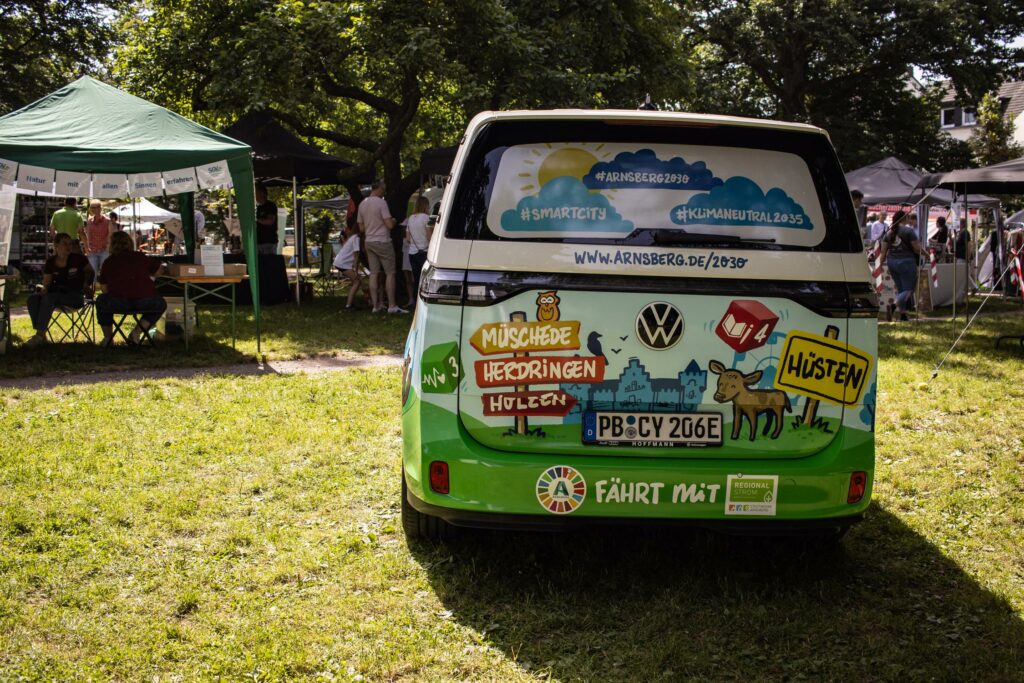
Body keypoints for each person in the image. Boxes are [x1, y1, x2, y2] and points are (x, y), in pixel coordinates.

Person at [96, 231, 167, 347]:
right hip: (144, 301)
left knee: (101, 301)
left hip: (119, 302)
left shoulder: (108, 262)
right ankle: (136, 332)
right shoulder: (140, 256)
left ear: (111, 245)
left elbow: (104, 288)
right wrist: (153, 277)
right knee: (161, 303)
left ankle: (108, 338)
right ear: (130, 243)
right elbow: (159, 269)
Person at [25, 233, 94, 347]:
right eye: (65, 243)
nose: (68, 246)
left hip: (75, 296)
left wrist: (86, 284)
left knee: (49, 298)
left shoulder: (79, 259)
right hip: (55, 295)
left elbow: (90, 272)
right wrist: (44, 289)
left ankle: (39, 336)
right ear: (56, 246)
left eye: (70, 244)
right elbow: (46, 283)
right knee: (32, 299)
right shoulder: (51, 262)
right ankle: (42, 334)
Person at [358, 180, 406, 313]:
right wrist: (394, 220)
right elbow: (389, 225)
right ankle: (392, 305)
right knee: (390, 273)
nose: (384, 192)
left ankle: (376, 306)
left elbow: (361, 228)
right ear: (378, 188)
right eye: (383, 189)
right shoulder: (381, 203)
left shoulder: (362, 204)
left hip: (369, 241)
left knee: (374, 273)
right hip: (383, 241)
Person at [879, 210, 923, 321]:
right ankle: (893, 306)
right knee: (909, 289)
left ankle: (903, 315)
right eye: (908, 217)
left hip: (892, 263)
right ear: (904, 218)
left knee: (901, 289)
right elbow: (917, 249)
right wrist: (926, 254)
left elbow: (883, 252)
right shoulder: (909, 231)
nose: (909, 220)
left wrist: (879, 265)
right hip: (907, 262)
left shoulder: (888, 232)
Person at [405, 195, 432, 298]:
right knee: (426, 280)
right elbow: (429, 237)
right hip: (425, 251)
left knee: (417, 280)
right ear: (426, 206)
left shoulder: (410, 218)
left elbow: (408, 238)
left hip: (412, 253)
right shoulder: (427, 218)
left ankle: (416, 301)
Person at [333, 223, 364, 310]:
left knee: (355, 281)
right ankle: (348, 305)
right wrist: (356, 270)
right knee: (357, 281)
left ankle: (350, 303)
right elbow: (356, 255)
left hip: (340, 262)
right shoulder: (356, 238)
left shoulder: (353, 237)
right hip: (343, 263)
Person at [81, 199, 111, 280]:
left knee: (105, 272)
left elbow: (110, 235)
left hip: (104, 250)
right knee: (92, 274)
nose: (93, 209)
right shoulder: (89, 221)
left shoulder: (107, 221)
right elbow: (88, 235)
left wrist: (108, 248)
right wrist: (87, 249)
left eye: (95, 207)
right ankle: (92, 287)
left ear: (100, 208)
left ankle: (105, 287)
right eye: (91, 207)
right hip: (92, 251)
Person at [255, 184, 278, 254]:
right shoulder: (258, 208)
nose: (254, 195)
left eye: (255, 192)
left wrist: (256, 220)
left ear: (262, 193)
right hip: (259, 242)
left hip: (269, 243)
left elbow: (270, 221)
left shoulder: (270, 205)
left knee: (269, 260)